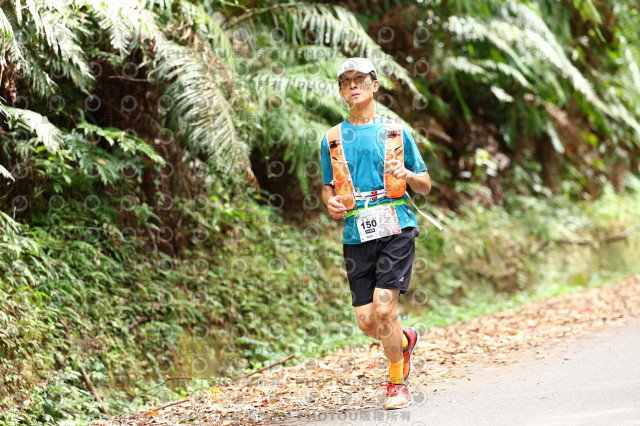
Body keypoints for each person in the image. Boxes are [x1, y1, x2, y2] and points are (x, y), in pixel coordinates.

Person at [319, 58, 432, 409]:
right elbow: (327, 186)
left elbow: (425, 185)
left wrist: (408, 175)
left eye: (360, 79)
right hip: (357, 232)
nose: (353, 85)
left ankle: (397, 383)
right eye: (346, 81)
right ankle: (405, 341)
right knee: (368, 321)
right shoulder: (332, 138)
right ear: (341, 91)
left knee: (384, 310)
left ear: (375, 85)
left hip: (396, 225)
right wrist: (330, 203)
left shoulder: (396, 132)